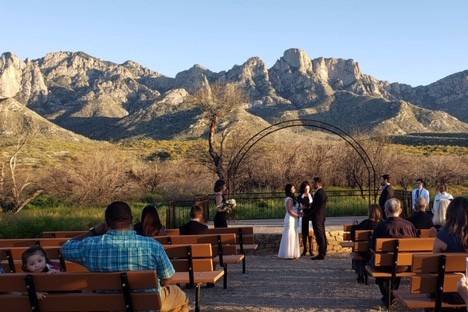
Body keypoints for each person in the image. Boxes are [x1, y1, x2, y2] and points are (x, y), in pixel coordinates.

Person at [61, 201, 189, 312]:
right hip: (147, 305)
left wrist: (94, 231)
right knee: (180, 296)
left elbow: (65, 248)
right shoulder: (152, 245)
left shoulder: (89, 245)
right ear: (131, 220)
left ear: (106, 223)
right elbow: (167, 277)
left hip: (107, 306)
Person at [372, 198, 417, 307]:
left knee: (377, 262)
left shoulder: (381, 226)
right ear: (400, 210)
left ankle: (388, 297)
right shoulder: (409, 226)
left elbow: (372, 246)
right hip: (404, 265)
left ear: (385, 210)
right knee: (397, 264)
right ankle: (391, 296)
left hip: (384, 265)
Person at [351, 204, 383, 282]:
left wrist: (354, 226)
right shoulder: (383, 224)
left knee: (357, 251)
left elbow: (353, 237)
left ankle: (360, 273)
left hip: (365, 252)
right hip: (380, 252)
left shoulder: (364, 224)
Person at [278, 184, 302, 259]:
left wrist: (299, 212)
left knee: (293, 234)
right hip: (290, 219)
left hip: (292, 218)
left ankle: (292, 253)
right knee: (290, 234)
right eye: (293, 188)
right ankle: (289, 253)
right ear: (290, 190)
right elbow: (289, 210)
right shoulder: (289, 199)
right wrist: (297, 215)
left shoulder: (291, 198)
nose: (294, 189)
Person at [310, 177, 328, 260]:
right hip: (320, 217)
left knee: (320, 235)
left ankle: (321, 253)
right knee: (321, 234)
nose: (312, 184)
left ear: (317, 183)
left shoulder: (320, 193)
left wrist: (308, 212)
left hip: (318, 217)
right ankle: (323, 252)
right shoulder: (321, 192)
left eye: (313, 183)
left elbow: (317, 207)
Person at [299, 181, 314, 257]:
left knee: (310, 234)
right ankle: (305, 250)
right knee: (304, 234)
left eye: (308, 188)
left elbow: (312, 205)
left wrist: (307, 206)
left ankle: (311, 250)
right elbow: (300, 206)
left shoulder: (311, 195)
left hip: (310, 216)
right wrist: (305, 207)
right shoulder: (300, 196)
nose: (307, 189)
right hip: (304, 216)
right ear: (303, 188)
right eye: (305, 188)